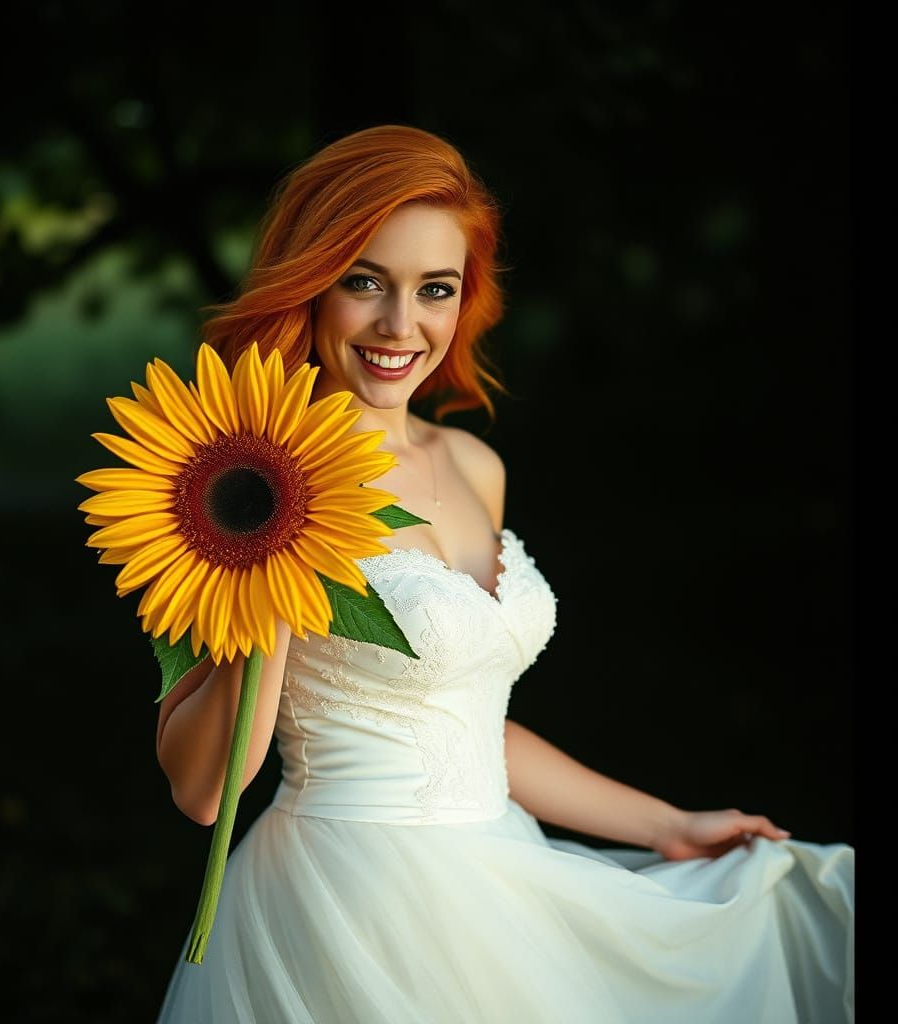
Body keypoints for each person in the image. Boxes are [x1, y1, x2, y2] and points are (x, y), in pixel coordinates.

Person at [154, 124, 854, 1023]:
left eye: (433, 289)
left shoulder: (475, 467)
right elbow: (205, 794)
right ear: (312, 284)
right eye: (365, 281)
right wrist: (275, 567)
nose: (400, 326)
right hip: (346, 902)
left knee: (798, 901)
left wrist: (666, 825)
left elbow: (469, 727)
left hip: (496, 877)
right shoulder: (232, 485)